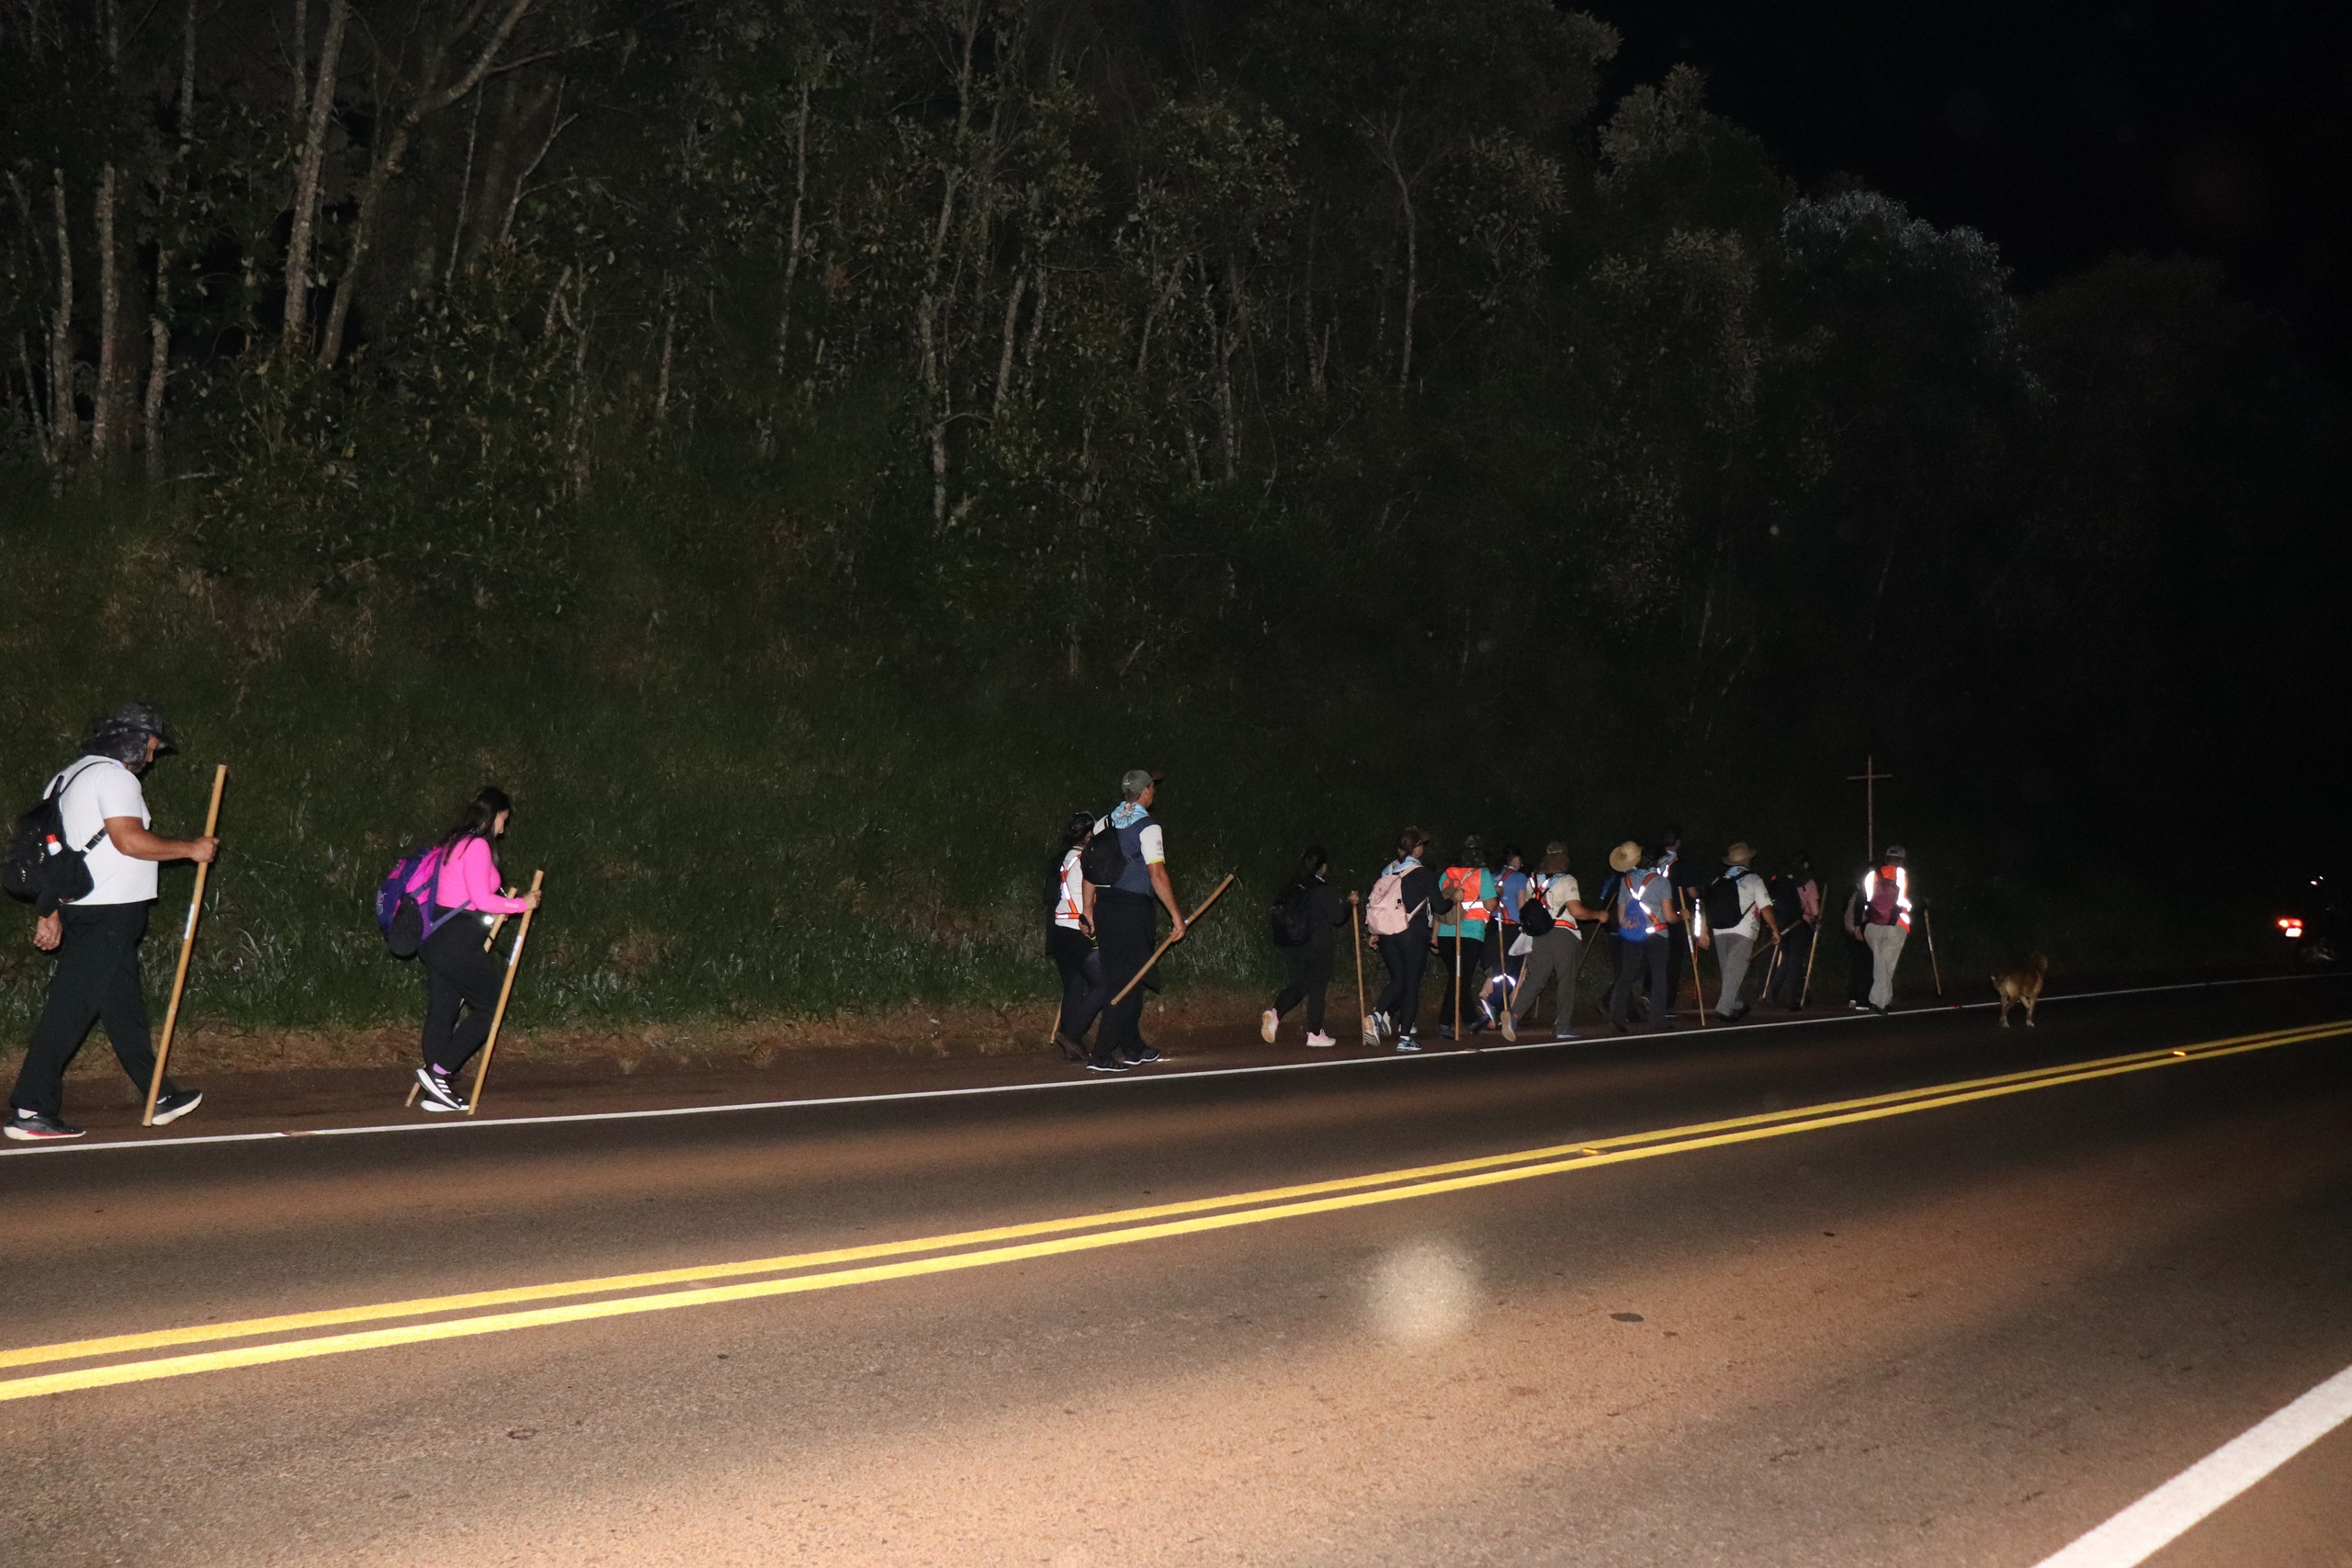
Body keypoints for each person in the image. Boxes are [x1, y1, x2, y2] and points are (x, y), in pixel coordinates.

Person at [6, 703, 216, 1141]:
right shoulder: (116, 777)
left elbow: (57, 852)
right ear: (130, 740)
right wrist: (191, 849)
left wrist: (51, 909)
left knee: (122, 1009)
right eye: (151, 748)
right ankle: (31, 1107)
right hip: (110, 911)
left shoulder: (69, 776)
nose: (151, 759)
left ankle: (159, 1095)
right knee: (70, 1007)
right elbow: (129, 840)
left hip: (84, 904)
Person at [408, 787, 542, 1112]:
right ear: (494, 814)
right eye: (504, 820)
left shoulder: (451, 842)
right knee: (491, 1007)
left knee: (444, 1011)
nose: (504, 828)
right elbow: (483, 900)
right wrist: (522, 903)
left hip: (434, 936)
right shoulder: (478, 846)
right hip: (457, 941)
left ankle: (435, 1092)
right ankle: (439, 1072)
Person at [1091, 770, 1186, 1072]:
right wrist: (1176, 916)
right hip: (1132, 910)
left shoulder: (1103, 822)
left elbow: (1091, 869)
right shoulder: (1148, 826)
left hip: (1106, 908)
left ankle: (1132, 1046)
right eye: (1152, 787)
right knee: (1128, 983)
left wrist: (1088, 910)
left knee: (1127, 977)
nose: (1154, 791)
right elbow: (1157, 874)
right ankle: (1102, 1053)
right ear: (1144, 792)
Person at [1510, 841, 1603, 1039]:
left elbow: (1525, 906)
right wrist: (1598, 915)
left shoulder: (1533, 880)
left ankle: (1513, 1017)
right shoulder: (1567, 880)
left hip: (1537, 935)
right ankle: (1562, 1027)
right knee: (1566, 979)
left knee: (1535, 978)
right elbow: (1577, 911)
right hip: (1563, 934)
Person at [1263, 846, 1348, 1047]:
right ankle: (1314, 1033)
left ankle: (1275, 1013)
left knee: (1300, 985)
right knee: (1317, 988)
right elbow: (1338, 918)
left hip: (1294, 945)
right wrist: (1349, 904)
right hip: (1318, 947)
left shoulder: (1293, 886)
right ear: (1323, 867)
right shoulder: (1323, 890)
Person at [1366, 827, 1439, 1051]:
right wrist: (1454, 897)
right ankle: (1405, 1038)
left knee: (1398, 980)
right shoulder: (1423, 874)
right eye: (1421, 845)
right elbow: (1440, 905)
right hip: (1412, 935)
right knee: (1411, 985)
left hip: (1388, 934)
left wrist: (1375, 932)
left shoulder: (1388, 870)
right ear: (1415, 849)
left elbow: (1383, 904)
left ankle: (1377, 1016)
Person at [1047, 812, 1108, 1062]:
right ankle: (1071, 1033)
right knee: (1105, 983)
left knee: (1074, 985)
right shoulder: (1086, 860)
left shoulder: (1065, 858)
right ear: (1088, 836)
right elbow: (1090, 896)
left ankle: (1072, 1043)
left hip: (1059, 929)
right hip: (1076, 929)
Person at [1609, 840, 1683, 1034]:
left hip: (1633, 934)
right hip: (1657, 935)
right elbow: (1668, 916)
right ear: (1656, 862)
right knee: (1659, 976)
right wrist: (1681, 916)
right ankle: (1656, 1021)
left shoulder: (1626, 881)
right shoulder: (1661, 882)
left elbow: (1621, 916)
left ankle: (1616, 1016)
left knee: (1626, 974)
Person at [1706, 842, 1781, 1022]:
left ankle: (1737, 1004)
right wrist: (1775, 929)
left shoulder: (1717, 880)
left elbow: (1705, 906)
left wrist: (1703, 932)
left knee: (1728, 970)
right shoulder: (1753, 879)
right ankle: (1723, 1008)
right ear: (1748, 860)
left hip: (1718, 929)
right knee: (1735, 970)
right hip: (1743, 930)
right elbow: (1766, 908)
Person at [1433, 837, 1493, 1041]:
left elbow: (1438, 906)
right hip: (1470, 933)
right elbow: (1491, 905)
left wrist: (1434, 935)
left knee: (1457, 978)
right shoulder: (1482, 874)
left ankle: (1467, 1020)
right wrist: (1498, 894)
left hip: (1445, 934)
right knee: (1461, 978)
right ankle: (1449, 1022)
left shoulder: (1447, 873)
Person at [1479, 844, 1529, 1037]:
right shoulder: (1519, 878)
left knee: (1498, 969)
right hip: (1511, 928)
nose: (1521, 862)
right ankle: (1495, 1003)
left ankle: (1487, 997)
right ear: (1513, 859)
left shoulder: (1491, 877)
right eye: (1519, 859)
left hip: (1492, 927)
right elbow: (1521, 906)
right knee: (1512, 972)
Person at [1860, 845, 1913, 1013]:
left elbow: (1867, 898)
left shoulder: (1872, 874)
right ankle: (1877, 1002)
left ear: (1886, 858)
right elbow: (1902, 901)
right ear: (1902, 861)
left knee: (1880, 962)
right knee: (1886, 965)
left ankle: (1885, 998)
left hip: (1872, 925)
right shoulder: (1901, 874)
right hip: (1895, 925)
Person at [1766, 853, 1823, 1010]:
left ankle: (1773, 991)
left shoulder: (1783, 880)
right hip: (1800, 924)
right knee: (1796, 962)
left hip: (1783, 924)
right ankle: (1789, 999)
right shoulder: (1808, 882)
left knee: (1787, 959)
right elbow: (1815, 911)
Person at [1840, 870, 1876, 1011]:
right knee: (1866, 966)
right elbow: (1859, 912)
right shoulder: (1863, 894)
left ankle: (1854, 997)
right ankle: (1863, 999)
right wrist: (1857, 928)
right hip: (1860, 932)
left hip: (1851, 931)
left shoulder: (1854, 891)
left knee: (1857, 966)